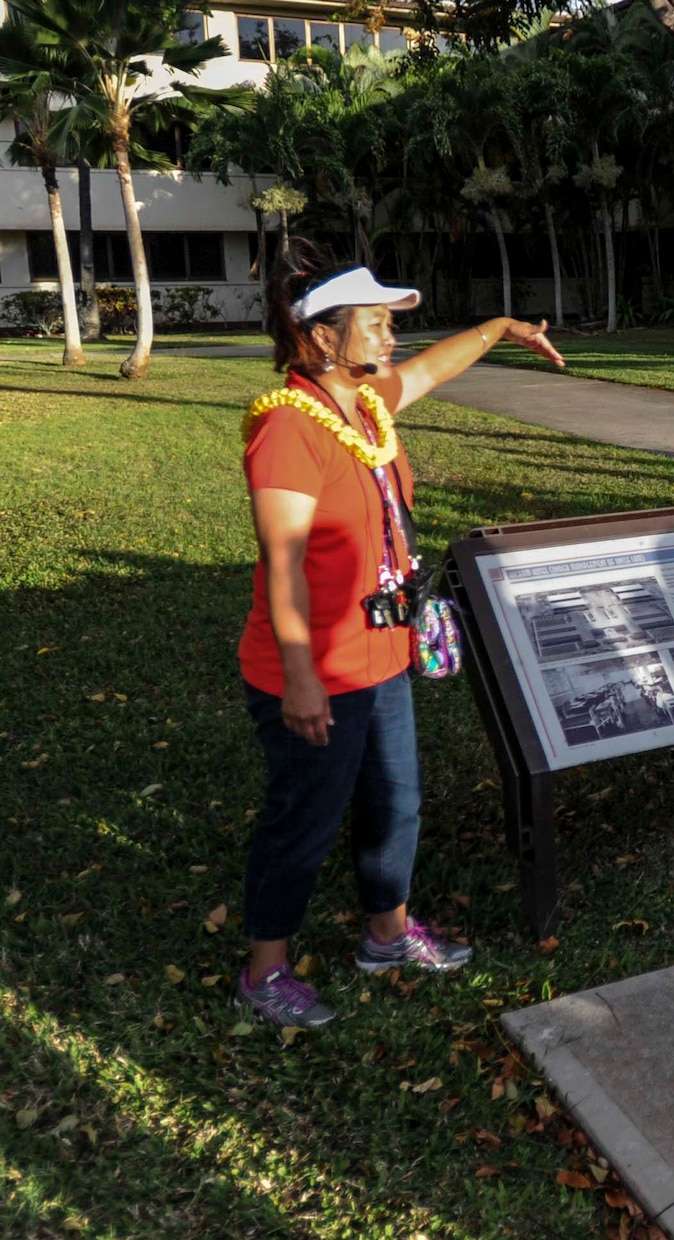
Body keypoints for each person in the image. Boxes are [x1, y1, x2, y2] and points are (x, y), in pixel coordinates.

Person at [235, 244, 566, 1031]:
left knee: (397, 799)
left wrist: (501, 327)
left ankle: (386, 935)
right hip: (315, 666)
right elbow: (282, 566)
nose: (390, 338)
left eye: (389, 322)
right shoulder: (289, 429)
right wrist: (301, 677)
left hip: (382, 654)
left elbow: (436, 368)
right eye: (374, 323)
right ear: (320, 338)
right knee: (304, 816)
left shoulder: (366, 404)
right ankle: (263, 971)